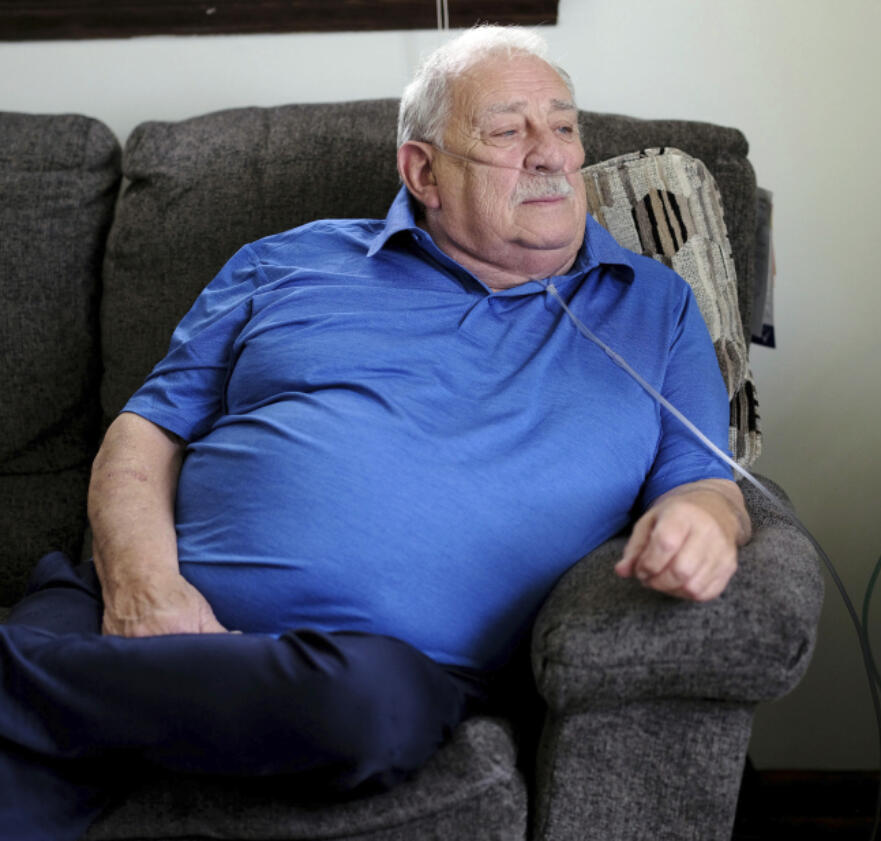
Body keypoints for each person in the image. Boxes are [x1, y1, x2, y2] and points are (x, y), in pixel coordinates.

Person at [0, 24, 749, 840]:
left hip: (367, 673)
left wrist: (703, 519)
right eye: (508, 130)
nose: (553, 155)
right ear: (421, 170)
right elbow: (144, 432)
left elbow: (710, 481)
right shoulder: (282, 264)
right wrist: (144, 585)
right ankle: (148, 704)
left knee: (374, 705)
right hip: (115, 611)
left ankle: (77, 697)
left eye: (564, 126)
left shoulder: (653, 308)